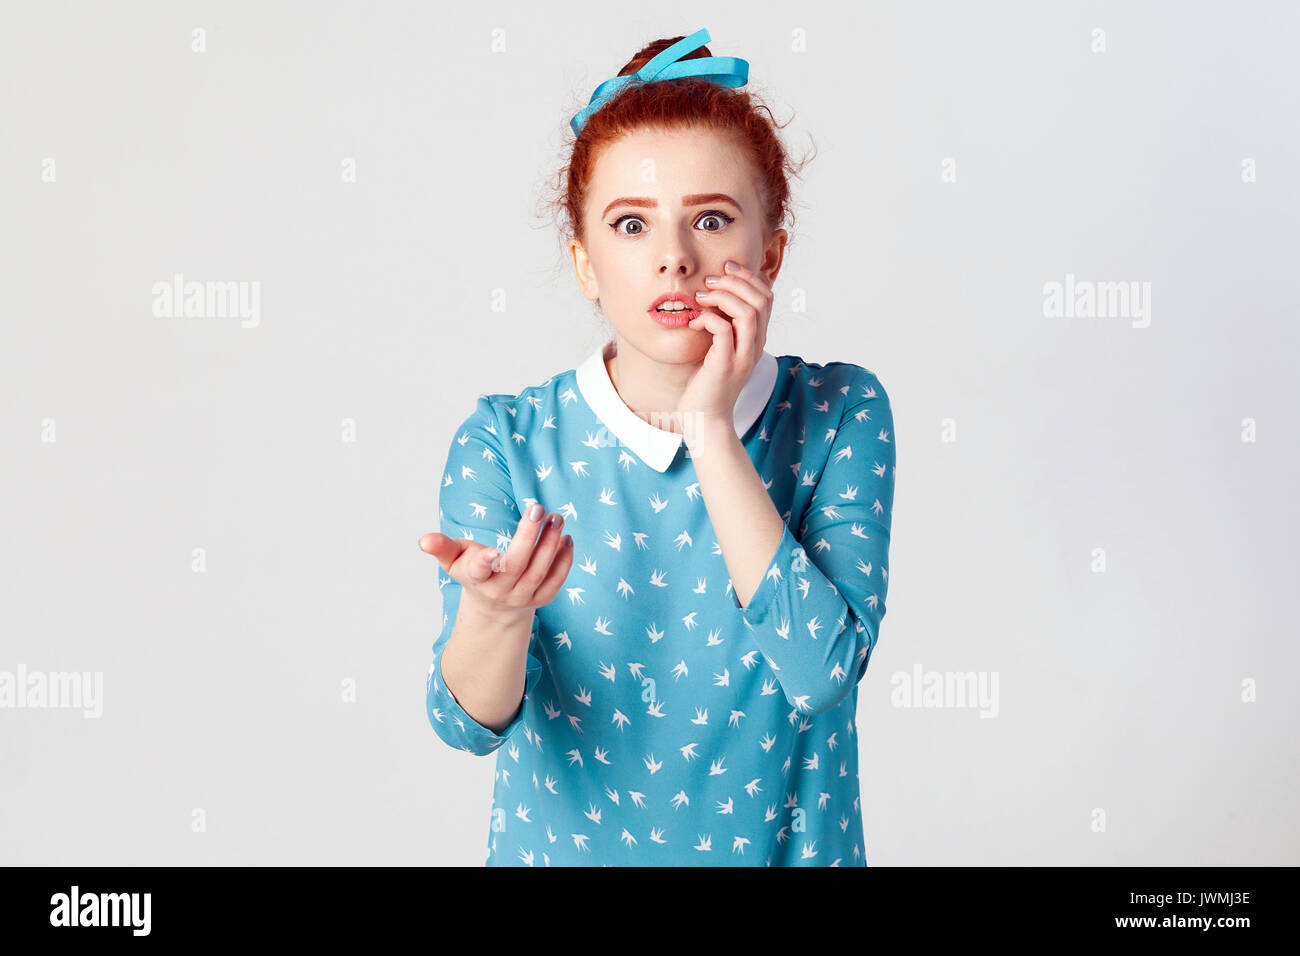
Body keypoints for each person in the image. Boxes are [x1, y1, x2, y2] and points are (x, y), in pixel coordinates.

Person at [419, 28, 896, 866]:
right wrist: (497, 615)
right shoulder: (507, 443)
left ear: (770, 253)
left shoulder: (838, 413)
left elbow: (821, 672)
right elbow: (467, 723)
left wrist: (710, 427)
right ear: (585, 263)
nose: (674, 260)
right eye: (631, 225)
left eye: (711, 219)